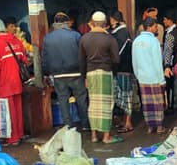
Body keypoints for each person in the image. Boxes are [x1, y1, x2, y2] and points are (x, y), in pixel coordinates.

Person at [79, 11, 122, 144]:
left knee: (93, 104)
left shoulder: (84, 38)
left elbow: (81, 61)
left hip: (90, 74)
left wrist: (84, 77)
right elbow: (116, 59)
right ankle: (106, 136)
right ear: (104, 24)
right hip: (105, 72)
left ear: (92, 22)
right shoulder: (109, 39)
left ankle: (93, 135)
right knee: (106, 105)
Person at [43, 12, 89, 131]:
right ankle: (85, 124)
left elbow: (45, 58)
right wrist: (84, 71)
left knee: (63, 100)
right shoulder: (75, 35)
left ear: (55, 23)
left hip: (58, 74)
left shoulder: (48, 38)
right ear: (67, 22)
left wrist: (47, 72)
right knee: (81, 99)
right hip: (76, 72)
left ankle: (68, 126)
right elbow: (83, 55)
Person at [0, 17, 28, 146]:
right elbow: (25, 60)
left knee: (9, 112)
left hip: (4, 84)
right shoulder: (16, 41)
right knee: (17, 109)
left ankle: (12, 138)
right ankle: (20, 134)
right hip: (17, 82)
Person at [134, 17, 167, 134]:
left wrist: (137, 75)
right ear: (149, 27)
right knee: (157, 103)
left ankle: (149, 126)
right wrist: (162, 80)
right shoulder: (154, 41)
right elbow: (158, 62)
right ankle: (159, 126)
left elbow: (135, 61)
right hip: (154, 77)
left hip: (142, 77)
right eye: (155, 27)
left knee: (147, 104)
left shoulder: (136, 41)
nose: (156, 29)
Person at [109, 10, 135, 133]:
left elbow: (117, 54)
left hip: (123, 69)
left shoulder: (121, 33)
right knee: (122, 96)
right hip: (124, 69)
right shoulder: (122, 32)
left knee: (125, 96)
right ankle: (123, 121)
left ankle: (128, 122)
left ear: (113, 20)